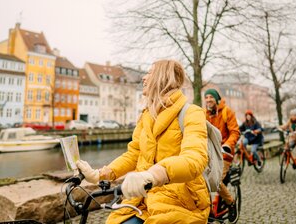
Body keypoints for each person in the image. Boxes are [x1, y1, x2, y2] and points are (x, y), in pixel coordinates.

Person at [76, 60, 210, 224]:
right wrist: (99, 174)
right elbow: (134, 154)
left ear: (163, 77)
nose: (144, 78)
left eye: (150, 73)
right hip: (142, 199)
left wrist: (153, 175)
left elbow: (195, 159)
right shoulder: (147, 115)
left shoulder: (192, 113)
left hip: (180, 201)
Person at [204, 89, 240, 223]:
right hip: (209, 153)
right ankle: (209, 210)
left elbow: (235, 132)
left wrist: (228, 145)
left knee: (215, 179)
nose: (208, 100)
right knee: (201, 179)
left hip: (224, 154)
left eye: (211, 97)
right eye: (206, 97)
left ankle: (231, 203)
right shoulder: (203, 113)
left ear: (217, 99)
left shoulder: (227, 111)